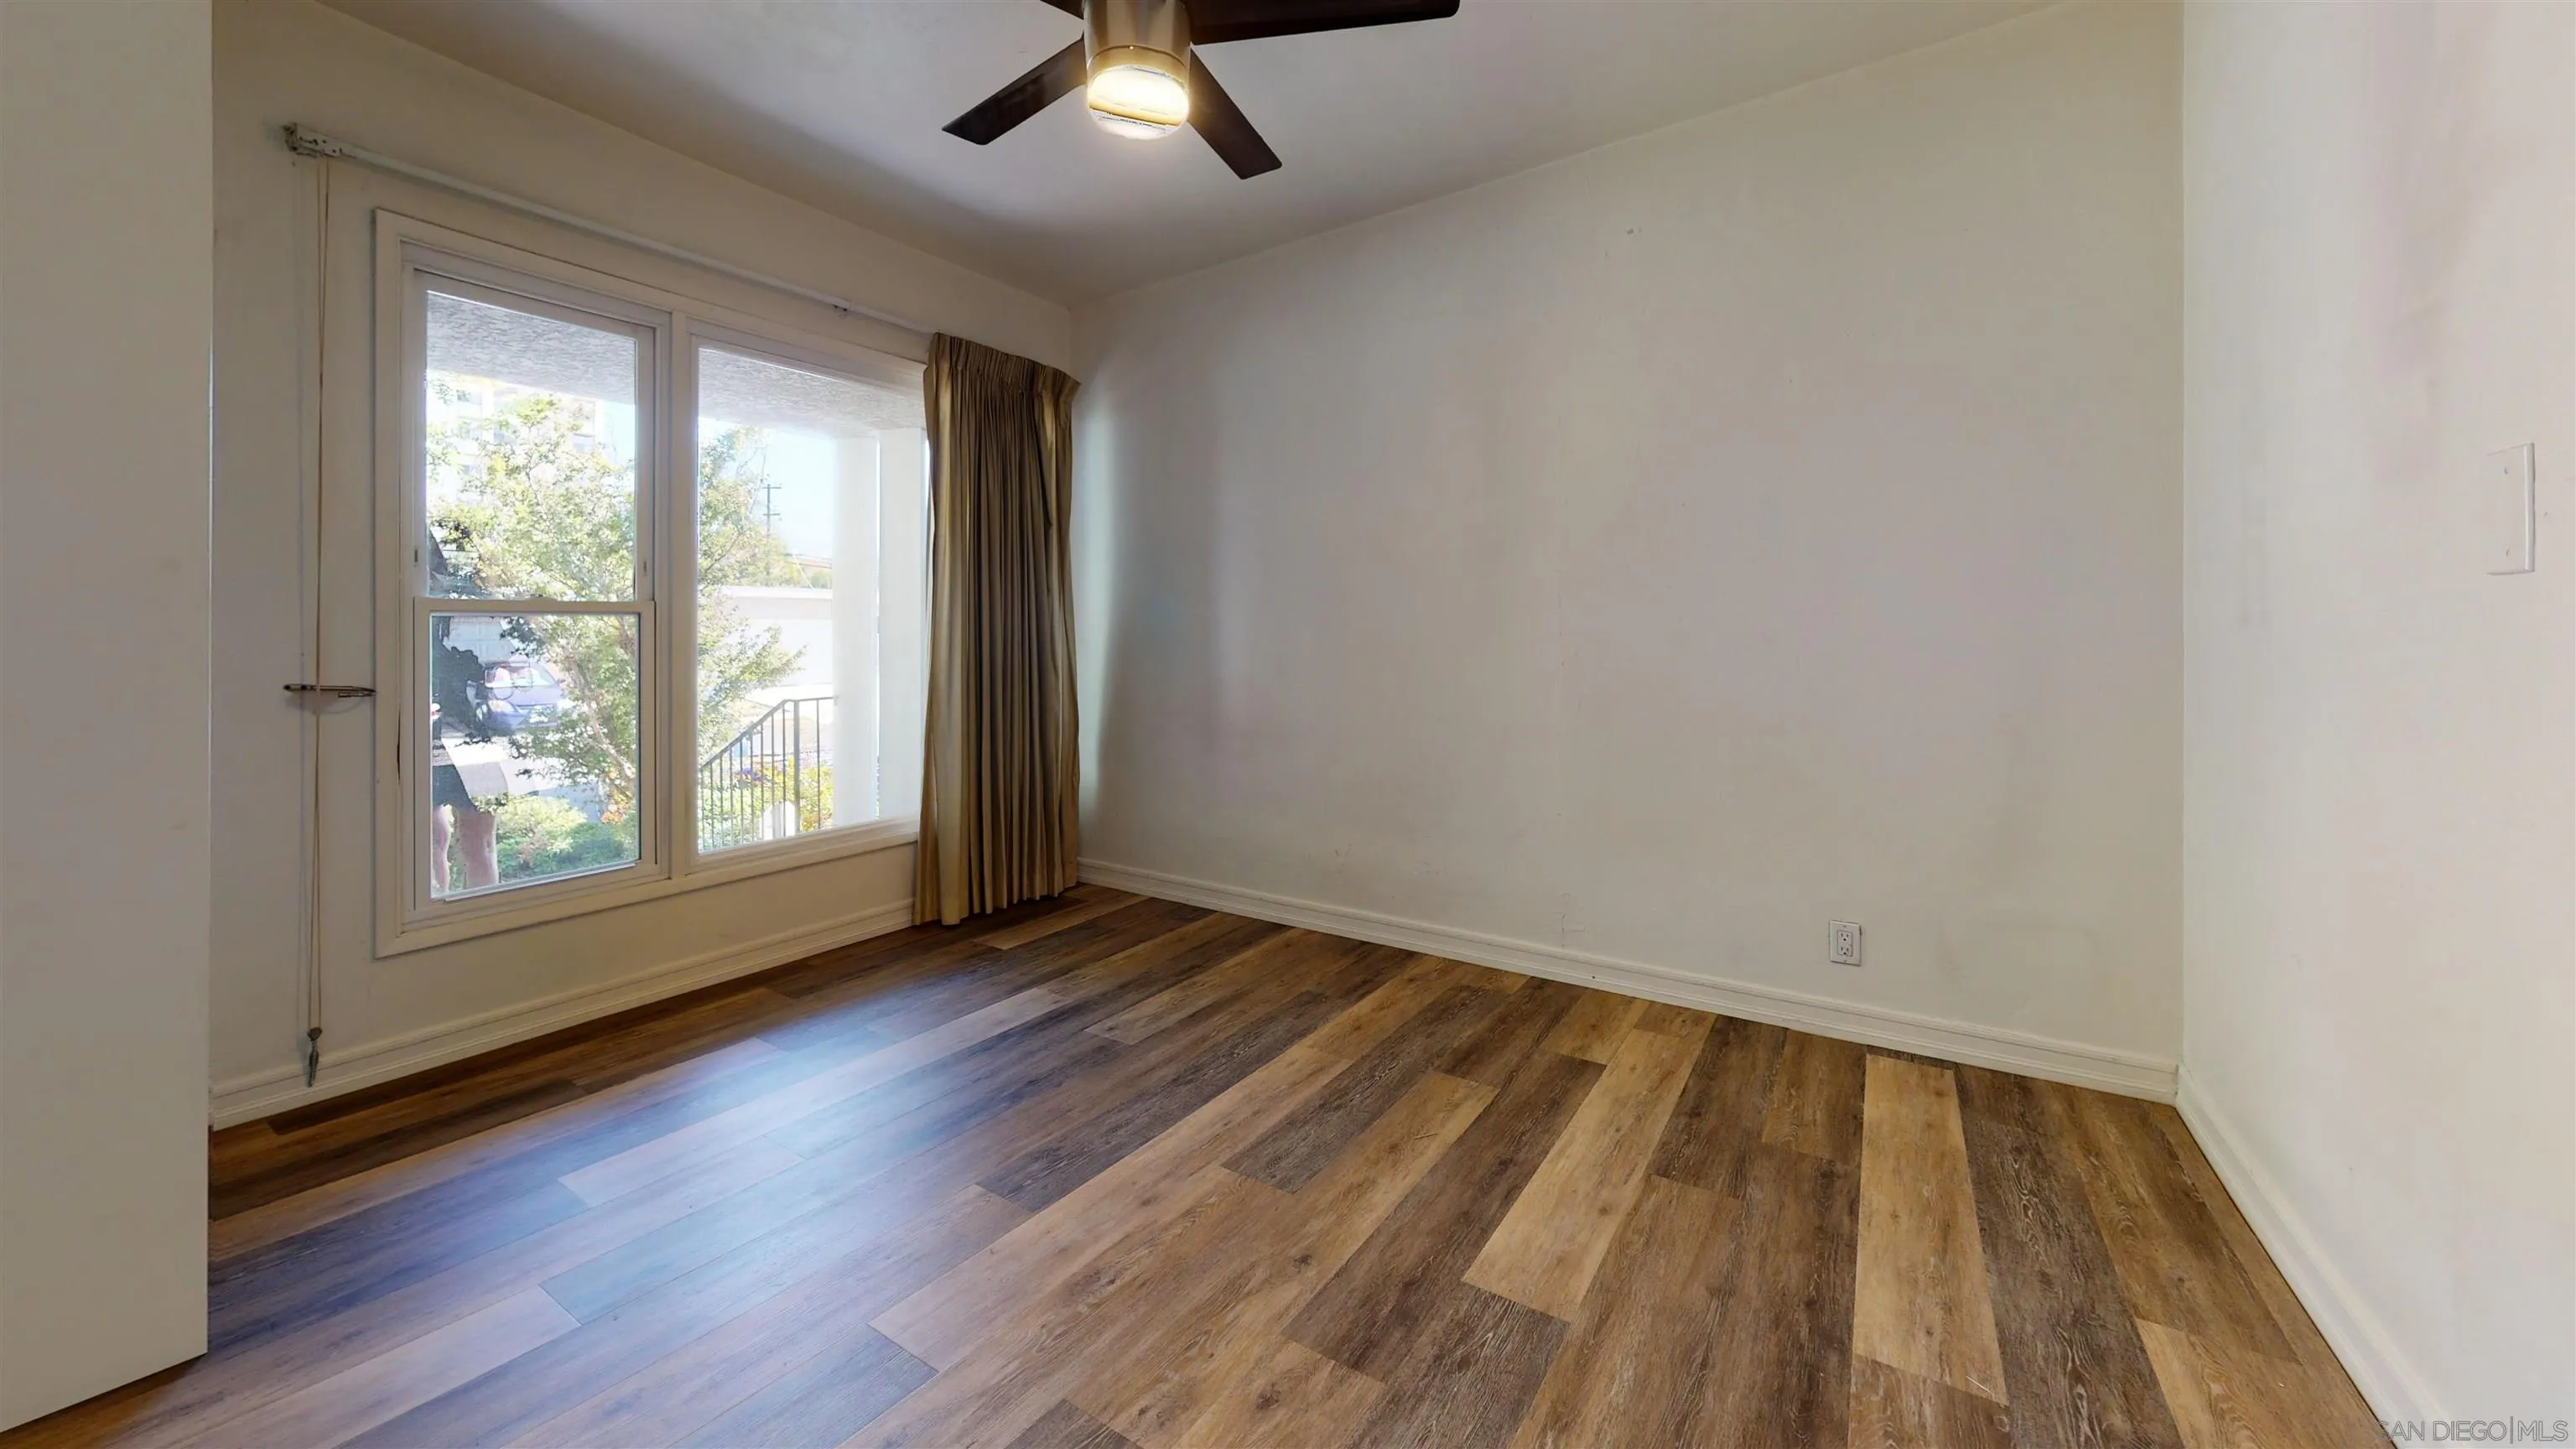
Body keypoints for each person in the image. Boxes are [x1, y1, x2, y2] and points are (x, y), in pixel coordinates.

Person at [427, 536, 500, 894]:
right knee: (429, 838)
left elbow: (501, 663)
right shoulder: (406, 607)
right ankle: (432, 911)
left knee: (477, 840)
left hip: (475, 732)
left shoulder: (476, 605)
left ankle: (488, 917)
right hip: (427, 730)